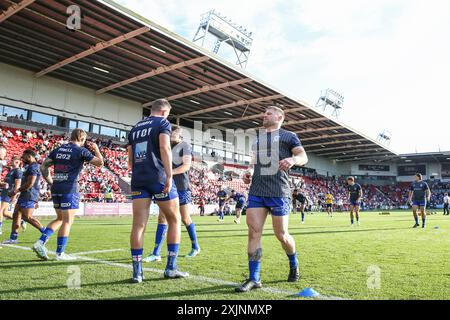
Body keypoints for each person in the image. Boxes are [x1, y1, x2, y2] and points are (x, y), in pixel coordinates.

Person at [235, 106, 308, 293]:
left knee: (281, 235)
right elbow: (253, 163)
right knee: (253, 233)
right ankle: (254, 278)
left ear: (280, 117)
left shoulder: (288, 136)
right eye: (264, 113)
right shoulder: (258, 139)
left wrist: (293, 160)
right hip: (257, 191)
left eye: (268, 113)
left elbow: (302, 156)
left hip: (279, 192)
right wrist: (248, 172)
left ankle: (294, 262)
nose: (264, 115)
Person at [128, 99, 188, 283]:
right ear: (164, 112)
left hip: (139, 179)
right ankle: (171, 268)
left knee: (138, 225)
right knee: (175, 219)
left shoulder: (135, 127)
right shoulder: (163, 123)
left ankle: (137, 273)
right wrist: (169, 175)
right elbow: (164, 147)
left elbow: (130, 161)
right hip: (158, 178)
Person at [32, 129, 104, 261]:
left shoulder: (58, 149)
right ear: (81, 138)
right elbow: (100, 163)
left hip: (56, 187)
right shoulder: (81, 150)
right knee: (67, 221)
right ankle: (60, 254)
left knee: (59, 219)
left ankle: (40, 242)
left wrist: (51, 182)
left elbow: (43, 167)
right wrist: (97, 150)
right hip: (70, 188)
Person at [143, 125, 200, 262]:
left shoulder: (185, 146)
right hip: (168, 186)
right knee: (162, 218)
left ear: (179, 135)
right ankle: (156, 253)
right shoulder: (165, 145)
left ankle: (195, 247)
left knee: (185, 219)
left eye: (172, 133)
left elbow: (186, 166)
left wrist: (169, 173)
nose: (169, 134)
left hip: (182, 187)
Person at [3, 149, 45, 244]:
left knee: (27, 217)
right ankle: (13, 238)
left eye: (24, 156)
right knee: (16, 215)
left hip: (29, 195)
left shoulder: (33, 167)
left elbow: (30, 183)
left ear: (29, 156)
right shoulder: (29, 166)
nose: (23, 158)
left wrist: (15, 191)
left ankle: (46, 232)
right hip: (25, 194)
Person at [0, 156, 23, 235]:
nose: (10, 161)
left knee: (0, 210)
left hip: (9, 193)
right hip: (4, 192)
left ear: (17, 162)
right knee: (5, 213)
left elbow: (18, 184)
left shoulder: (18, 171)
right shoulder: (11, 171)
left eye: (12, 160)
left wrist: (14, 194)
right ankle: (20, 221)